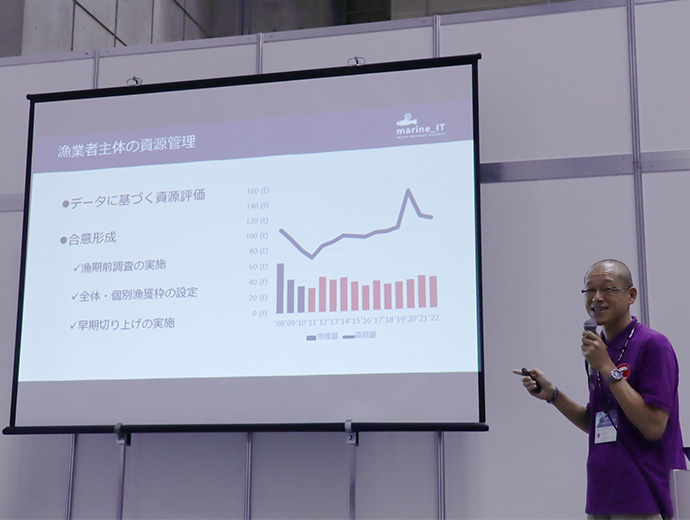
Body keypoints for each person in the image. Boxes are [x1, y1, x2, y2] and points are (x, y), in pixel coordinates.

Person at [514, 259, 686, 519]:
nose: (596, 298)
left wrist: (606, 367)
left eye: (607, 289)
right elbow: (598, 422)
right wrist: (553, 395)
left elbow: (653, 426)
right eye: (590, 290)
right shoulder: (599, 349)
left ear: (631, 295)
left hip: (645, 493)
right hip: (602, 493)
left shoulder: (653, 345)